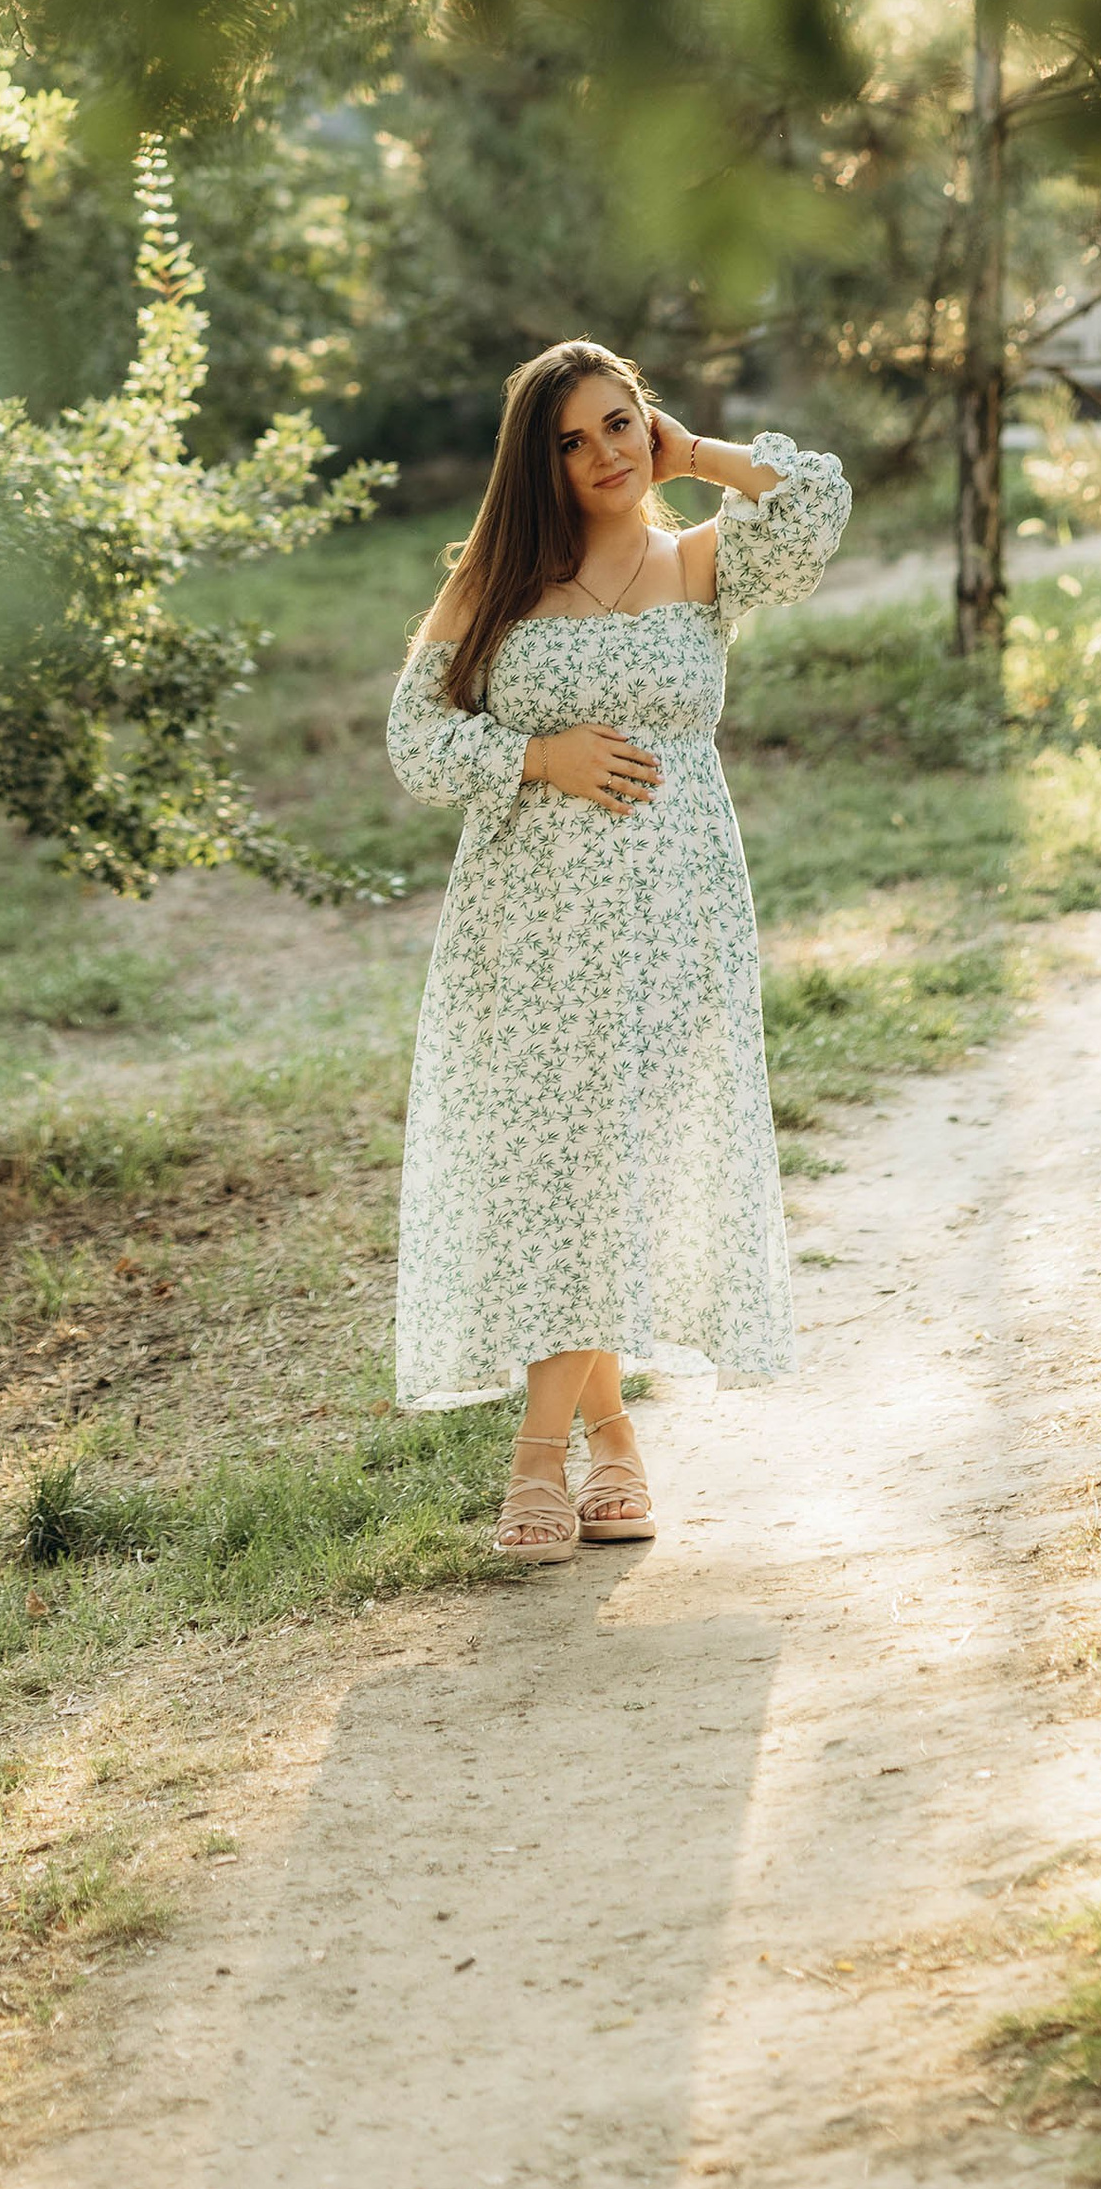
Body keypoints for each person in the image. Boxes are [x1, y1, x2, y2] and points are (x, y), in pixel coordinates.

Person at [384, 339, 851, 1558]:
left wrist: (692, 455)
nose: (601, 454)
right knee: (558, 1177)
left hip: (675, 920)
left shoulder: (700, 563)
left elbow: (816, 503)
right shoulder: (494, 584)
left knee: (617, 1168)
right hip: (525, 928)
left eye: (618, 425)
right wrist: (537, 757)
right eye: (571, 439)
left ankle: (546, 1457)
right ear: (536, 464)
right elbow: (416, 742)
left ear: (648, 423)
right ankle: (604, 1447)